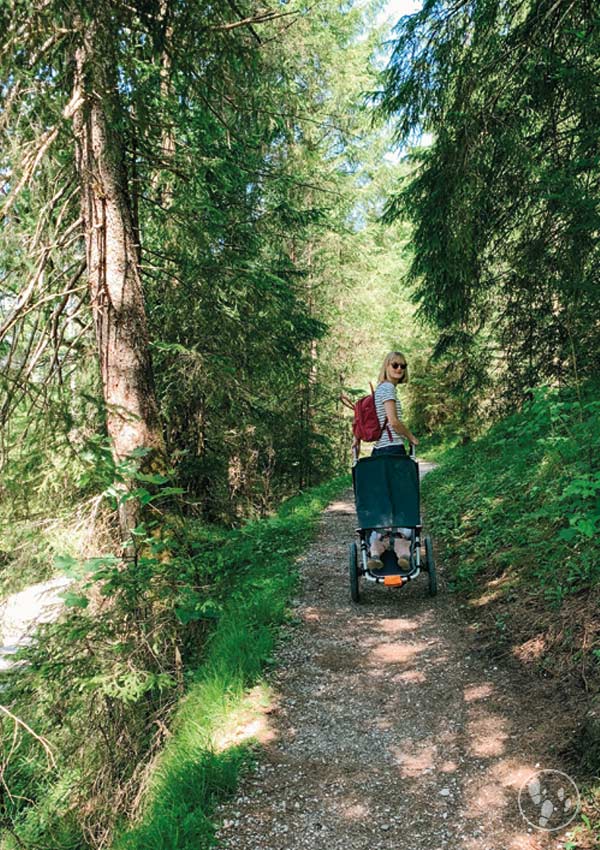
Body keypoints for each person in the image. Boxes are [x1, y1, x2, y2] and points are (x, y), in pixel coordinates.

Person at [355, 351, 419, 571]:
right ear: (387, 365)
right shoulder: (388, 389)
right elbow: (393, 422)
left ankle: (377, 546)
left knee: (381, 500)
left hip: (378, 452)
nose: (399, 369)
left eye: (403, 366)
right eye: (395, 365)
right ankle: (400, 545)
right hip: (393, 450)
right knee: (400, 500)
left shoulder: (380, 389)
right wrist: (411, 437)